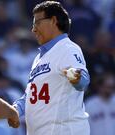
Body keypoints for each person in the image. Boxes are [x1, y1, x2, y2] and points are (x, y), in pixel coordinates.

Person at [9, 1, 90, 135]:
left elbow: (83, 81)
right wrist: (15, 110)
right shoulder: (39, 58)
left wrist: (76, 76)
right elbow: (30, 95)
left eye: (37, 23)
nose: (33, 29)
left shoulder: (68, 48)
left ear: (53, 20)